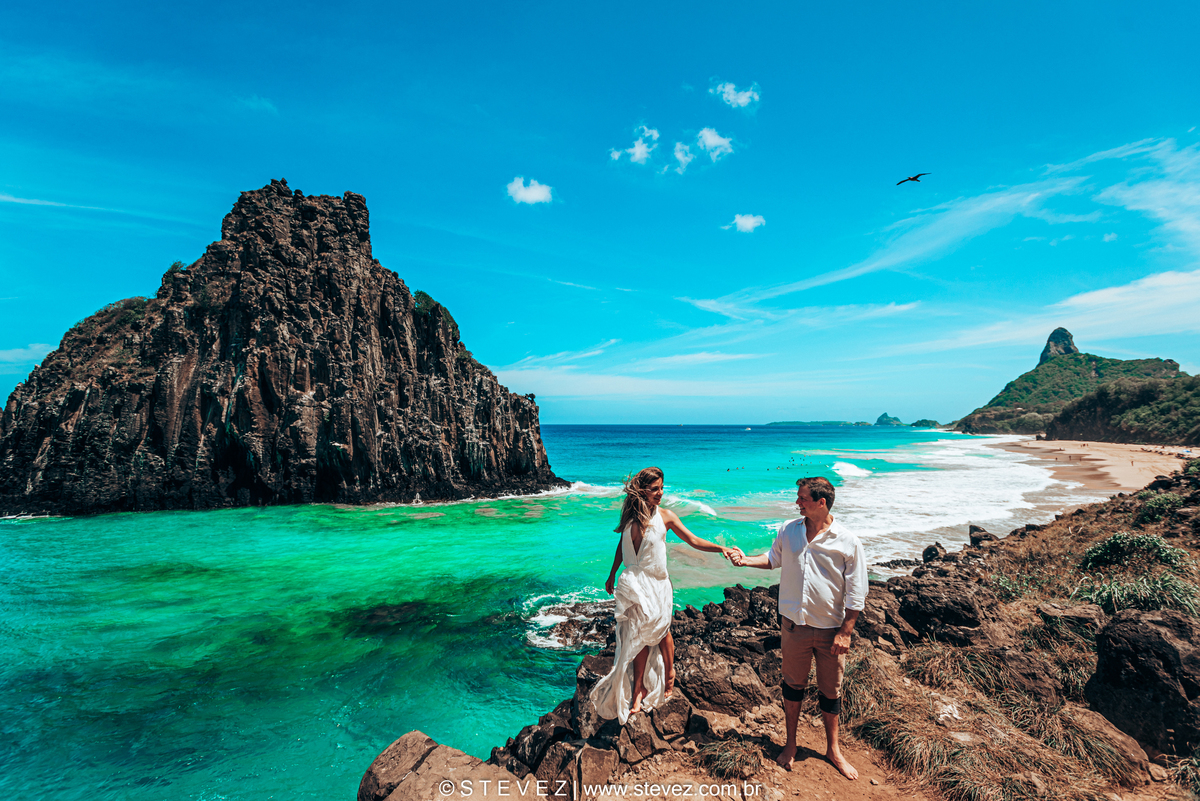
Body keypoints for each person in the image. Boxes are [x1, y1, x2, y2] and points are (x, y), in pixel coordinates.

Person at [730, 476, 867, 780]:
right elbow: (772, 559)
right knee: (793, 687)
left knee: (831, 692)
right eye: (798, 497)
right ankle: (790, 744)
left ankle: (833, 750)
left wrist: (846, 631)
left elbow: (857, 591)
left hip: (831, 630)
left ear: (822, 502)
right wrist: (745, 561)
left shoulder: (847, 540)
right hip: (794, 627)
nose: (797, 503)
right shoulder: (789, 531)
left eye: (803, 498)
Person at [590, 467, 741, 723]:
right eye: (655, 489)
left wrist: (722, 548)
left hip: (658, 584)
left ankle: (669, 671)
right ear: (642, 491)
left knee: (661, 629)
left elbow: (692, 540)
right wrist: (612, 573)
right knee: (638, 634)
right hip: (633, 584)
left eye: (662, 488)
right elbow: (622, 545)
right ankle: (638, 689)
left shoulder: (666, 517)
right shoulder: (630, 517)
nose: (660, 493)